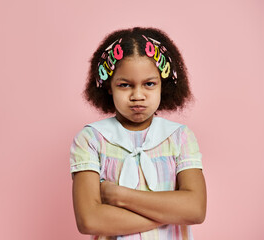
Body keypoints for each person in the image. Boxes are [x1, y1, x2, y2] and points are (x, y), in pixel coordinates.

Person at [70, 27, 206, 240]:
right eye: (125, 85)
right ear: (109, 87)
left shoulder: (180, 138)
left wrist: (118, 196)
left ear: (163, 84)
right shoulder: (91, 140)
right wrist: (171, 212)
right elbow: (90, 220)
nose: (138, 95)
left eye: (149, 84)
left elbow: (196, 210)